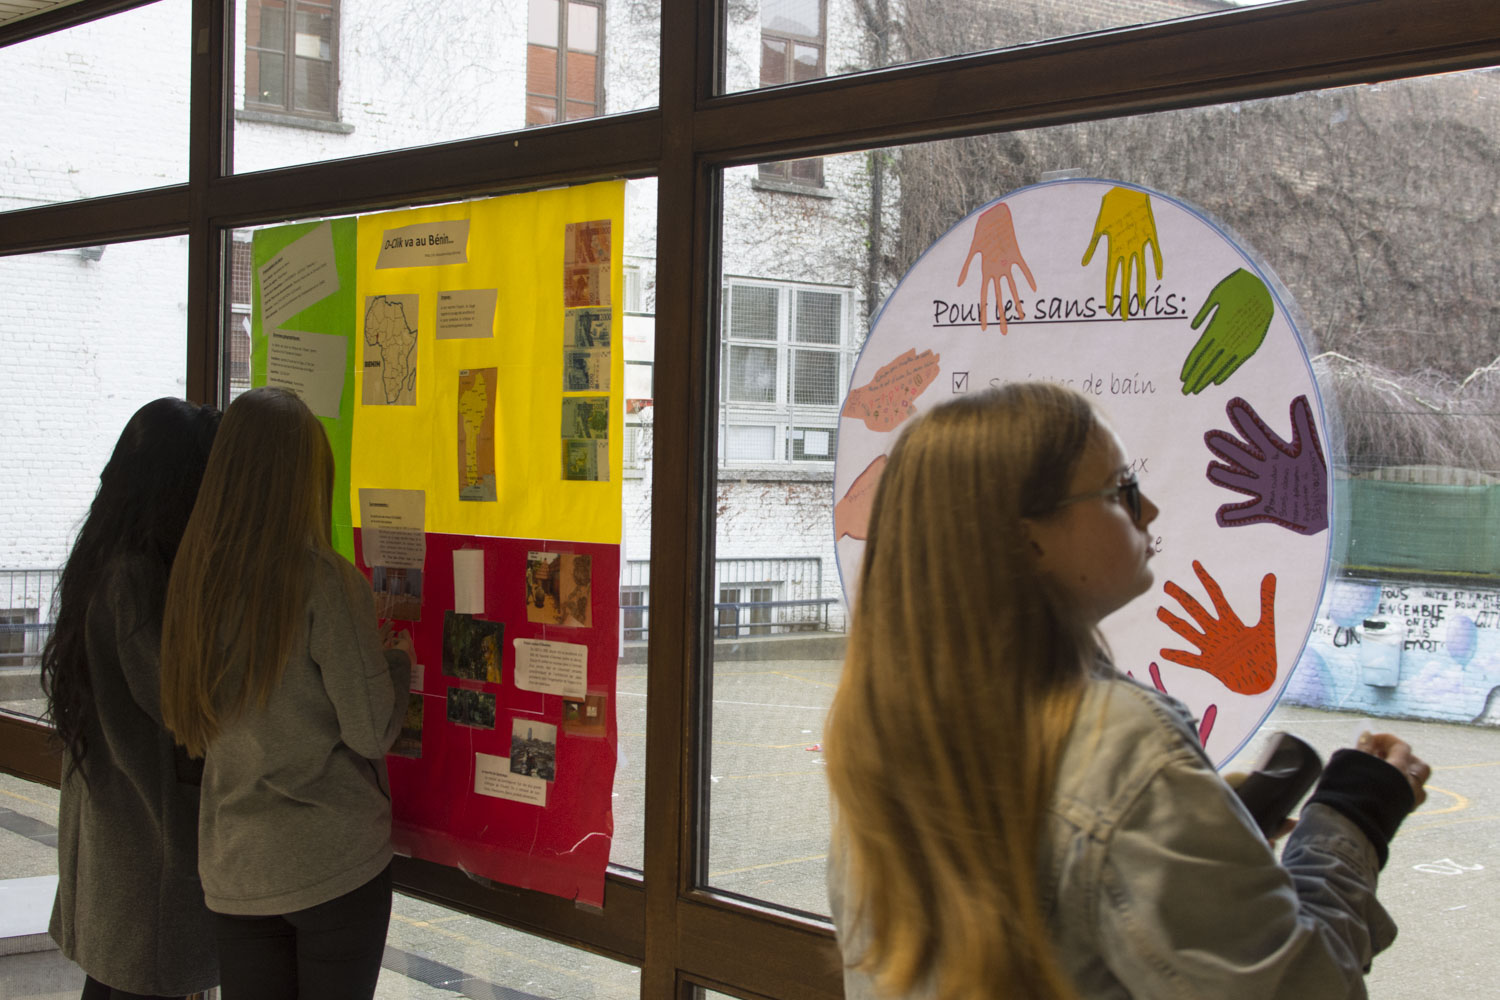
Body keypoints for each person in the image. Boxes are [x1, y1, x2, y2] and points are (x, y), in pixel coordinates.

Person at [824, 382, 1430, 1000]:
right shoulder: (1121, 751)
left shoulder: (890, 735)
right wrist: (1353, 817)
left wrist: (1206, 832)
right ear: (1028, 541)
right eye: (1122, 492)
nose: (1150, 513)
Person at [159, 386, 413, 1000]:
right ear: (305, 477)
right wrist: (398, 657)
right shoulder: (325, 582)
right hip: (331, 864)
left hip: (235, 868)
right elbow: (372, 730)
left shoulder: (192, 582)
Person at [42, 397, 221, 1000]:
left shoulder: (100, 560)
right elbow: (186, 705)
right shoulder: (137, 582)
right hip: (146, 852)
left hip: (117, 841)